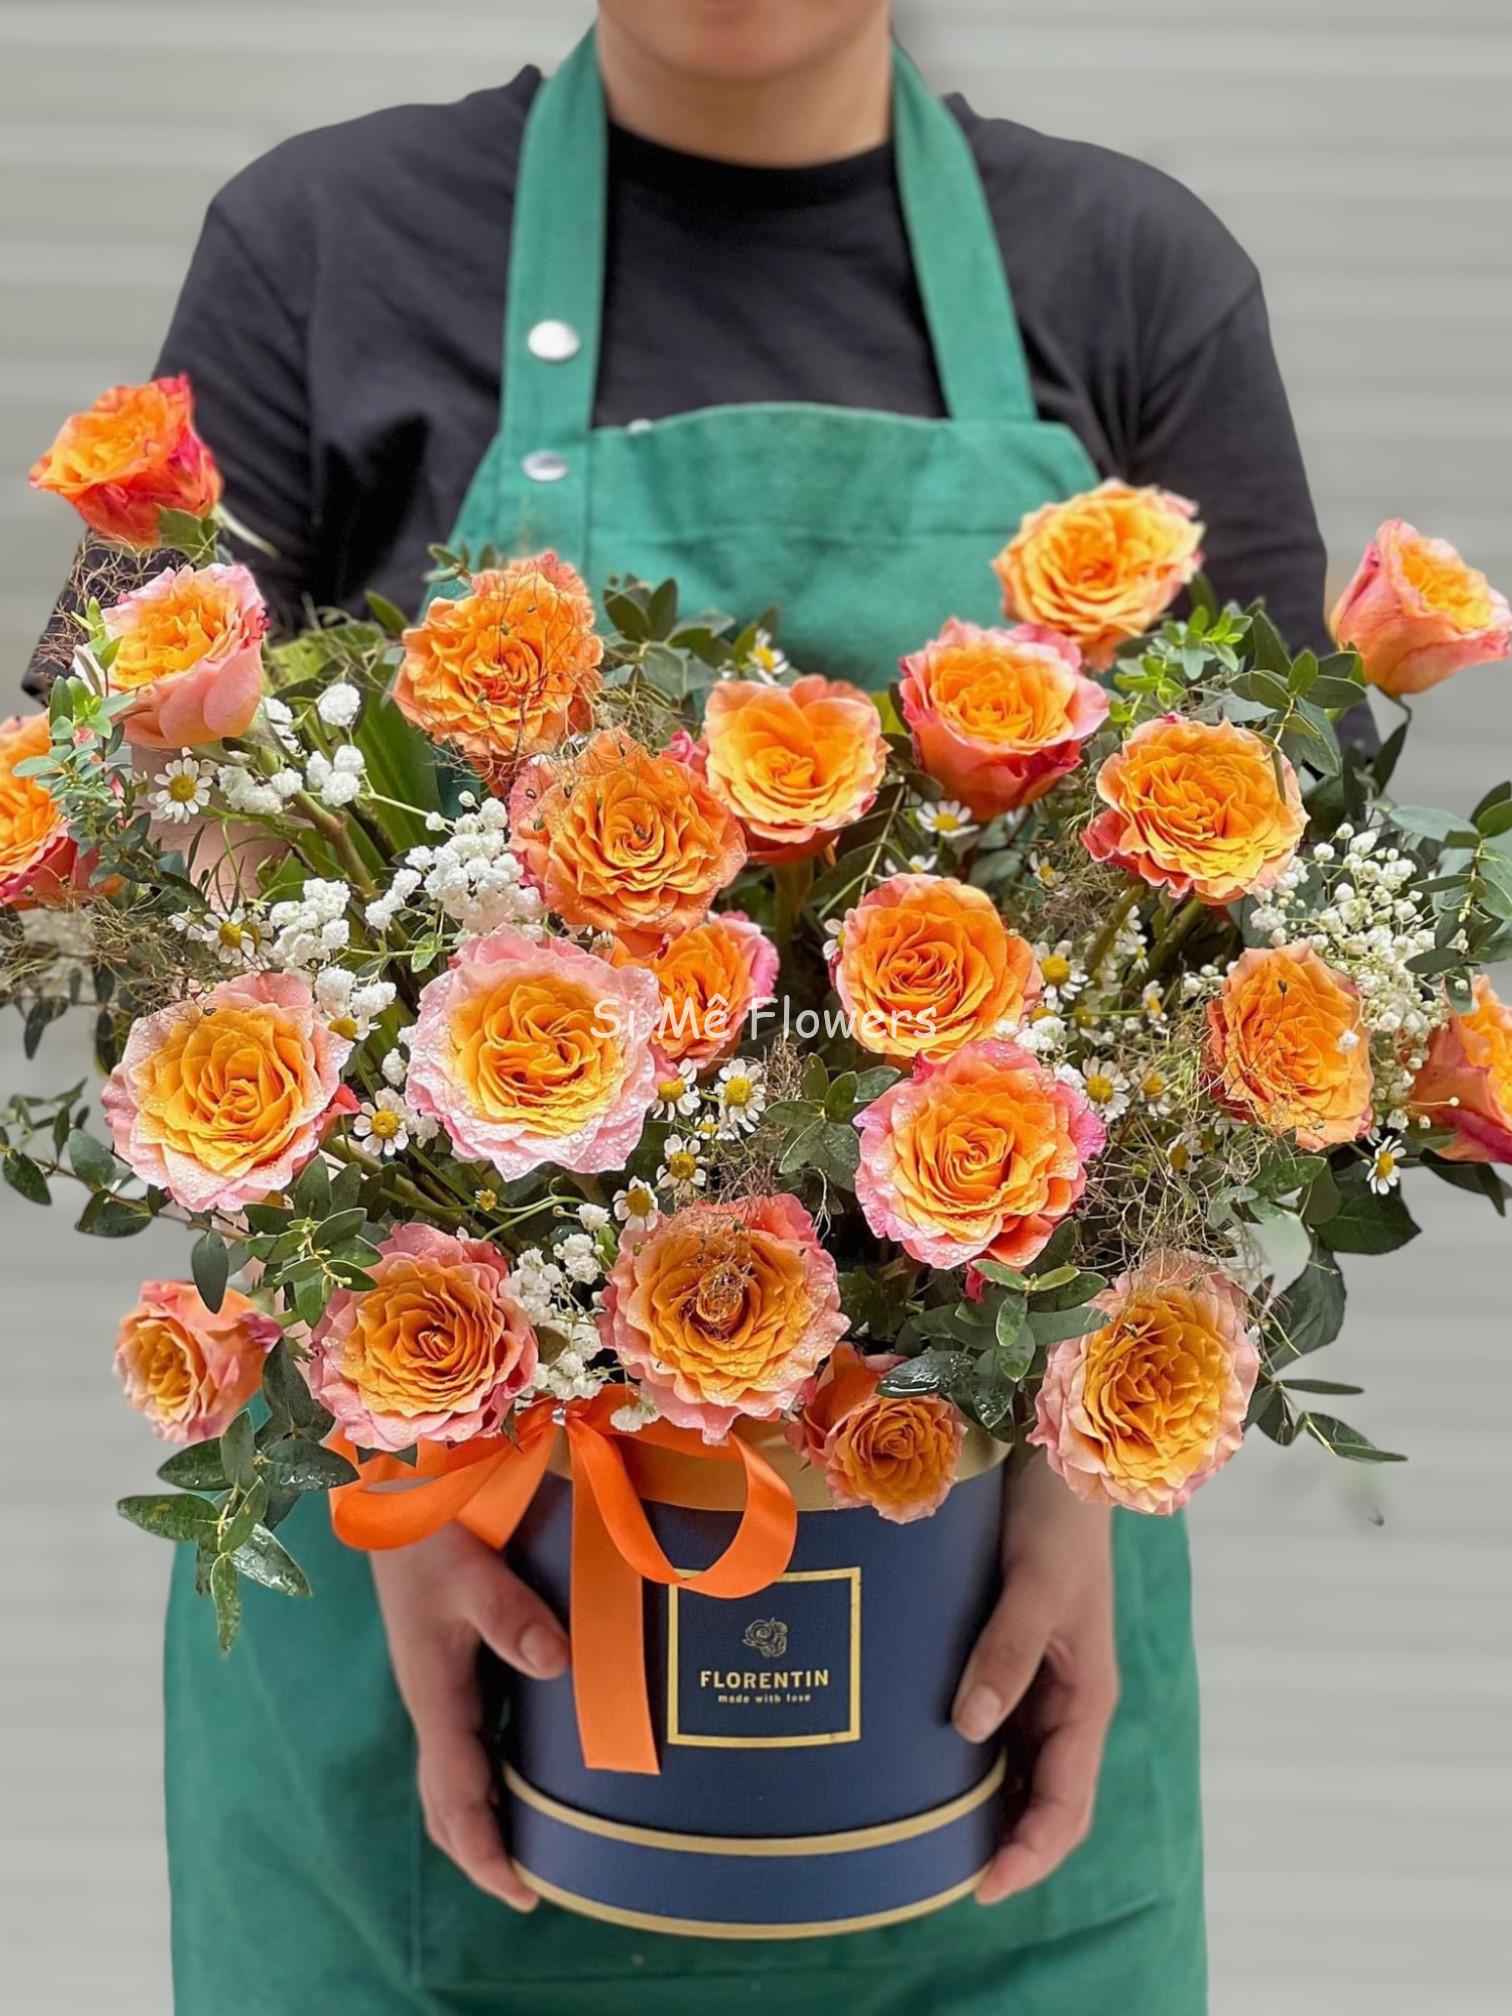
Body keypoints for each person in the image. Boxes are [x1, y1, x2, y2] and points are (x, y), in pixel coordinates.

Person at [37, 5, 1332, 2011]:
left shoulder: (1129, 274)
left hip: (994, 1615)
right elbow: (116, 819)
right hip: (432, 1643)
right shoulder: (327, 242)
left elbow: (1274, 944)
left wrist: (1077, 1458)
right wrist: (412, 1465)